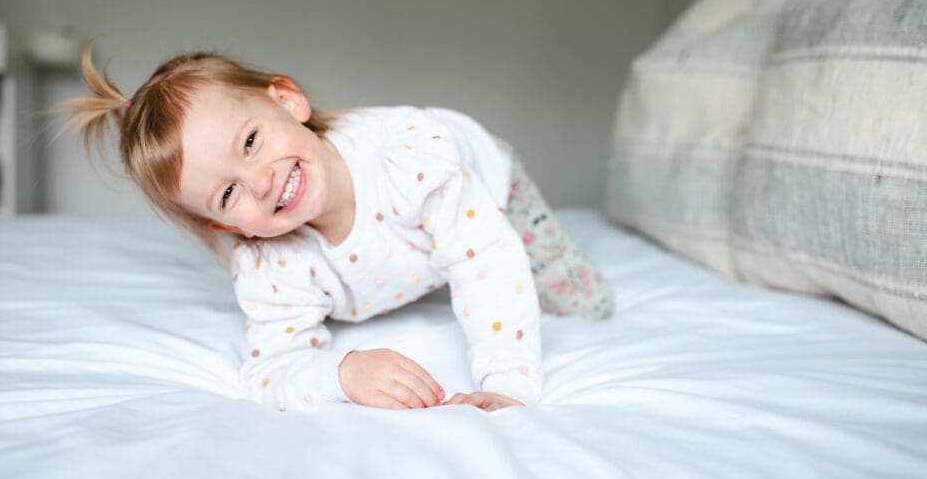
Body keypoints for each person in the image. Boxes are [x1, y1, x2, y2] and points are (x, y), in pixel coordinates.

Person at [63, 43, 612, 412]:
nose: (260, 182)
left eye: (251, 142)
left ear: (287, 101)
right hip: (412, 245)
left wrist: (507, 384)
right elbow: (273, 369)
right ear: (222, 224)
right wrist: (342, 374)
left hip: (487, 184)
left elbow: (483, 259)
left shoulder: (410, 158)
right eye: (228, 193)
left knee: (580, 300)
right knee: (434, 261)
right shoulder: (269, 265)